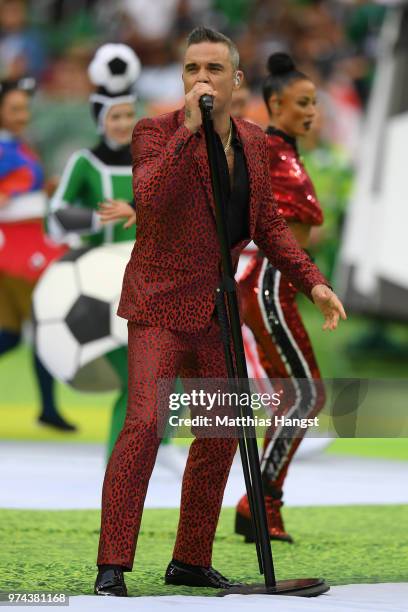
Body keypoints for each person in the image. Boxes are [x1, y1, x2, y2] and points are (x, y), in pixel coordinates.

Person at [94, 27, 346, 597]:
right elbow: (150, 200)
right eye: (191, 69)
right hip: (158, 306)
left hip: (215, 310)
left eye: (212, 68)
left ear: (236, 80)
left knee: (222, 431)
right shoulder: (153, 132)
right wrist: (189, 131)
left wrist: (314, 283)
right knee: (143, 425)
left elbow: (269, 227)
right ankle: (112, 564)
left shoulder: (254, 143)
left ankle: (190, 560)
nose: (200, 79)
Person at [235, 53, 330, 543]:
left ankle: (260, 503)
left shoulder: (288, 150)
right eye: (301, 103)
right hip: (268, 285)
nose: (312, 111)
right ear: (275, 103)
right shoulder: (268, 147)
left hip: (278, 288)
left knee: (301, 397)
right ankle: (260, 501)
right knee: (305, 395)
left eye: (314, 103)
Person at [48, 44, 139, 456]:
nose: (123, 124)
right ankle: (119, 468)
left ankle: (141, 459)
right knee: (140, 380)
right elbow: (55, 218)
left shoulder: (148, 161)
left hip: (145, 281)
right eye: (115, 117)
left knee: (157, 380)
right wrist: (93, 220)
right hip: (101, 288)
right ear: (101, 121)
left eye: (128, 115)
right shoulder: (85, 164)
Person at [0, 77, 74, 431]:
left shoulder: (18, 147)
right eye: (14, 109)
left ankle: (48, 407)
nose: (23, 115)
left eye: (25, 108)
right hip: (15, 256)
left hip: (28, 252)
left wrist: (46, 188)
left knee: (21, 334)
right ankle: (48, 407)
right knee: (31, 332)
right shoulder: (5, 151)